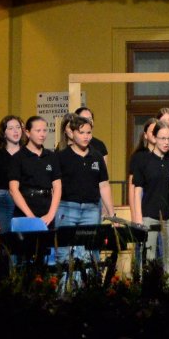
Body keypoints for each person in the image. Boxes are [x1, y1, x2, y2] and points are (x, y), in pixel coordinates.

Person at [55, 115, 114, 282]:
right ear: (72, 133)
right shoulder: (62, 157)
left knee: (88, 253)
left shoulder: (96, 157)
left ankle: (86, 294)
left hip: (90, 209)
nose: (86, 136)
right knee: (65, 254)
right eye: (82, 132)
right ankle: (64, 294)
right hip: (67, 208)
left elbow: (104, 185)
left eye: (89, 132)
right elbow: (56, 186)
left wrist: (111, 212)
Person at [127, 119, 169, 272]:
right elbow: (136, 190)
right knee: (148, 257)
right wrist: (137, 216)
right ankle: (147, 292)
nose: (166, 141)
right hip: (149, 214)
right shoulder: (142, 160)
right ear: (154, 137)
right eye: (162, 138)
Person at [7, 115, 60, 263]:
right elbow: (13, 189)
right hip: (26, 209)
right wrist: (31, 216)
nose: (42, 134)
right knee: (25, 257)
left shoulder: (51, 156)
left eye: (45, 130)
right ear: (28, 132)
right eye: (38, 130)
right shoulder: (18, 158)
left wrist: (51, 214)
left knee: (48, 257)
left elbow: (57, 186)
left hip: (47, 209)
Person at [0, 114, 25, 277]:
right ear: (4, 132)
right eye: (11, 128)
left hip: (23, 200)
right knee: (5, 245)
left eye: (18, 127)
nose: (15, 131)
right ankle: (5, 284)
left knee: (23, 243)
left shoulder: (26, 152)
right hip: (4, 200)